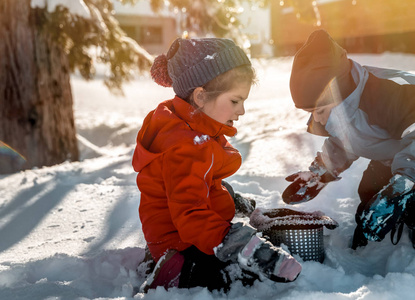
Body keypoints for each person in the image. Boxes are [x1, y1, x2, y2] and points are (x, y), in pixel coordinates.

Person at [132, 37, 302, 292]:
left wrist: (230, 199)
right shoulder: (186, 145)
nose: (242, 110)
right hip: (182, 246)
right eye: (235, 101)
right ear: (200, 96)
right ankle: (171, 273)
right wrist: (241, 244)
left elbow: (198, 183)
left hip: (180, 234)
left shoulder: (192, 125)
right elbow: (190, 215)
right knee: (241, 280)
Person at [282, 29, 415, 250]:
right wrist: (322, 171)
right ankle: (373, 251)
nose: (316, 118)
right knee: (370, 195)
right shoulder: (345, 101)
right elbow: (346, 139)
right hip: (397, 157)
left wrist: (401, 187)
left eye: (320, 109)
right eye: (310, 111)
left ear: (338, 92)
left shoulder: (387, 94)